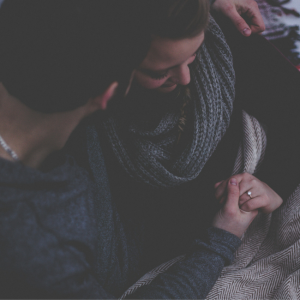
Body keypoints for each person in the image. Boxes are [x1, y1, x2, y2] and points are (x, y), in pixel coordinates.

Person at [0, 0, 270, 299]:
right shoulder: (43, 241)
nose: (184, 78)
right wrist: (219, 243)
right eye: (157, 71)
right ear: (111, 94)